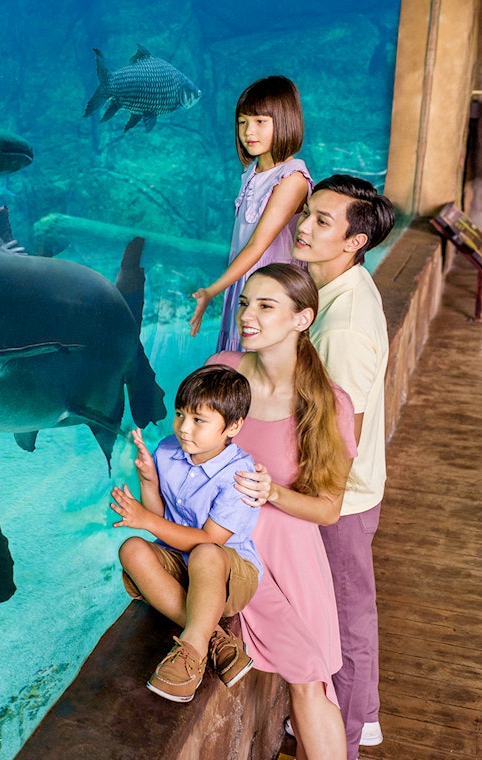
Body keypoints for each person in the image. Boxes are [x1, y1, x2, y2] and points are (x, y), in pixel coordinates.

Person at [208, 263, 358, 759]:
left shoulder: (326, 402)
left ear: (302, 318)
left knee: (310, 682)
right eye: (247, 302)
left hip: (291, 556)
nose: (248, 316)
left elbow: (329, 510)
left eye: (266, 306)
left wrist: (273, 492)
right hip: (225, 546)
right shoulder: (220, 372)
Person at [292, 174, 396, 758]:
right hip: (341, 493)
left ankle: (348, 739)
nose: (304, 227)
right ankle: (361, 716)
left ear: (354, 241)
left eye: (322, 222)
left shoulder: (346, 326)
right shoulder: (330, 290)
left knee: (347, 619)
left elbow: (341, 433)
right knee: (344, 610)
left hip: (342, 499)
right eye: (307, 213)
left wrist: (303, 500)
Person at [109, 364, 262, 703]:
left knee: (205, 553)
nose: (183, 428)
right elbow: (162, 516)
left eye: (198, 420)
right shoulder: (167, 449)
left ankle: (190, 655)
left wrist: (146, 521)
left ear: (233, 426)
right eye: (180, 415)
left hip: (227, 575)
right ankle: (214, 638)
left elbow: (208, 541)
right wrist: (149, 479)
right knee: (132, 549)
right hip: (181, 564)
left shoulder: (239, 475)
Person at [189, 76, 312, 351]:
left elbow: (257, 246)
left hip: (272, 293)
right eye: (243, 122)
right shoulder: (251, 172)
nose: (248, 132)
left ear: (284, 121)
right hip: (244, 283)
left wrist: (211, 290)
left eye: (260, 121)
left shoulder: (292, 178)